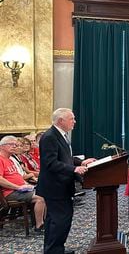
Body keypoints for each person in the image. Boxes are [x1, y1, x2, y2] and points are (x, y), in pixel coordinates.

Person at [37, 108, 96, 254]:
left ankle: (55, 250)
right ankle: (54, 251)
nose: (74, 121)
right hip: (55, 187)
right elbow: (50, 163)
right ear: (60, 121)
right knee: (59, 221)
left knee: (56, 221)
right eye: (72, 119)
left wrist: (80, 162)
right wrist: (74, 169)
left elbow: (64, 158)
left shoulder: (61, 135)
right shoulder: (50, 136)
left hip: (61, 186)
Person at [0, 135, 46, 233]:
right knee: (40, 198)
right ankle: (39, 226)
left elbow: (17, 176)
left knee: (46, 191)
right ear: (2, 146)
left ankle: (44, 222)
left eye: (15, 145)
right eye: (11, 144)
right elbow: (0, 180)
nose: (15, 147)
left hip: (21, 188)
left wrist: (26, 185)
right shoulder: (1, 159)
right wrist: (18, 187)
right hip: (11, 192)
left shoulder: (9, 159)